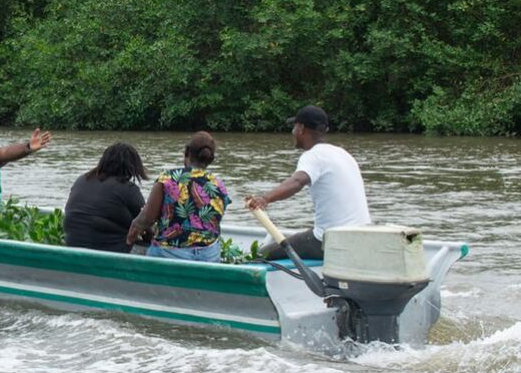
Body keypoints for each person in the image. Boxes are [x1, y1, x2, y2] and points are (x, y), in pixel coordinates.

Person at [245, 105, 371, 260]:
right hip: (362, 237)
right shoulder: (343, 154)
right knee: (304, 235)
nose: (292, 132)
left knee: (260, 254)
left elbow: (297, 182)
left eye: (294, 127)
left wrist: (265, 199)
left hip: (329, 241)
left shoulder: (313, 156)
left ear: (301, 129)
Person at [126, 131, 231, 262]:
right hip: (209, 256)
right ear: (211, 158)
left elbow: (146, 218)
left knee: (137, 250)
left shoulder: (168, 178)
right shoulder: (219, 185)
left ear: (186, 152)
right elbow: (213, 223)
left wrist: (132, 233)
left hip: (169, 254)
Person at [63, 143, 148, 253]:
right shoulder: (128, 188)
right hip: (109, 250)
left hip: (72, 245)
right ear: (131, 166)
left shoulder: (82, 179)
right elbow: (145, 221)